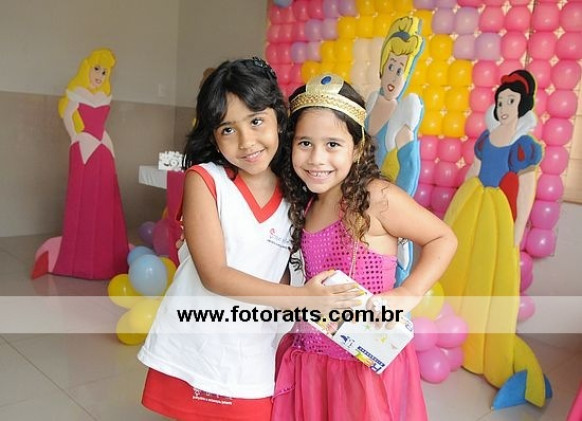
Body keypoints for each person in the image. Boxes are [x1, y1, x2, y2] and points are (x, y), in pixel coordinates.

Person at [137, 59, 359, 421]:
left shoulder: (298, 192)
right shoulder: (205, 180)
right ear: (213, 136)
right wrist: (305, 299)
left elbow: (285, 270)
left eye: (256, 121)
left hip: (252, 354)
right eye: (228, 129)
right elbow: (214, 275)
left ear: (278, 118)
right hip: (193, 348)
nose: (246, 142)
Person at [273, 73, 457, 421]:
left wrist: (408, 293)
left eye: (332, 144)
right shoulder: (307, 201)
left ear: (357, 149)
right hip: (311, 357)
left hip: (362, 366)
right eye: (305, 143)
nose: (317, 158)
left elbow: (443, 238)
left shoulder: (376, 197)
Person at [438, 70, 550, 409]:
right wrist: (456, 214)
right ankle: (454, 334)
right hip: (474, 209)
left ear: (522, 105)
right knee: (464, 271)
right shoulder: (487, 138)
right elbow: (473, 173)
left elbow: (527, 189)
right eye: (501, 101)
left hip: (499, 216)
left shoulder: (524, 146)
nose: (504, 107)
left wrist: (519, 228)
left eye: (510, 102)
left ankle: (485, 346)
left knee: (491, 276)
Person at [32, 48, 129, 280]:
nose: (100, 75)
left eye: (105, 72)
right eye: (97, 69)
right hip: (84, 149)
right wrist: (79, 139)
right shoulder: (76, 94)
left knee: (105, 197)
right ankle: (81, 255)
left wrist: (105, 143)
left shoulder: (105, 95)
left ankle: (104, 255)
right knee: (83, 196)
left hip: (103, 149)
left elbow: (101, 124)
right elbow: (70, 122)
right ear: (87, 68)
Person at [365, 16, 424, 286]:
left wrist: (396, 207)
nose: (394, 76)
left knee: (389, 265)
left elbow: (409, 168)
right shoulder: (370, 104)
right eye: (391, 66)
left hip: (387, 205)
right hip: (357, 196)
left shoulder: (404, 116)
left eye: (401, 69)